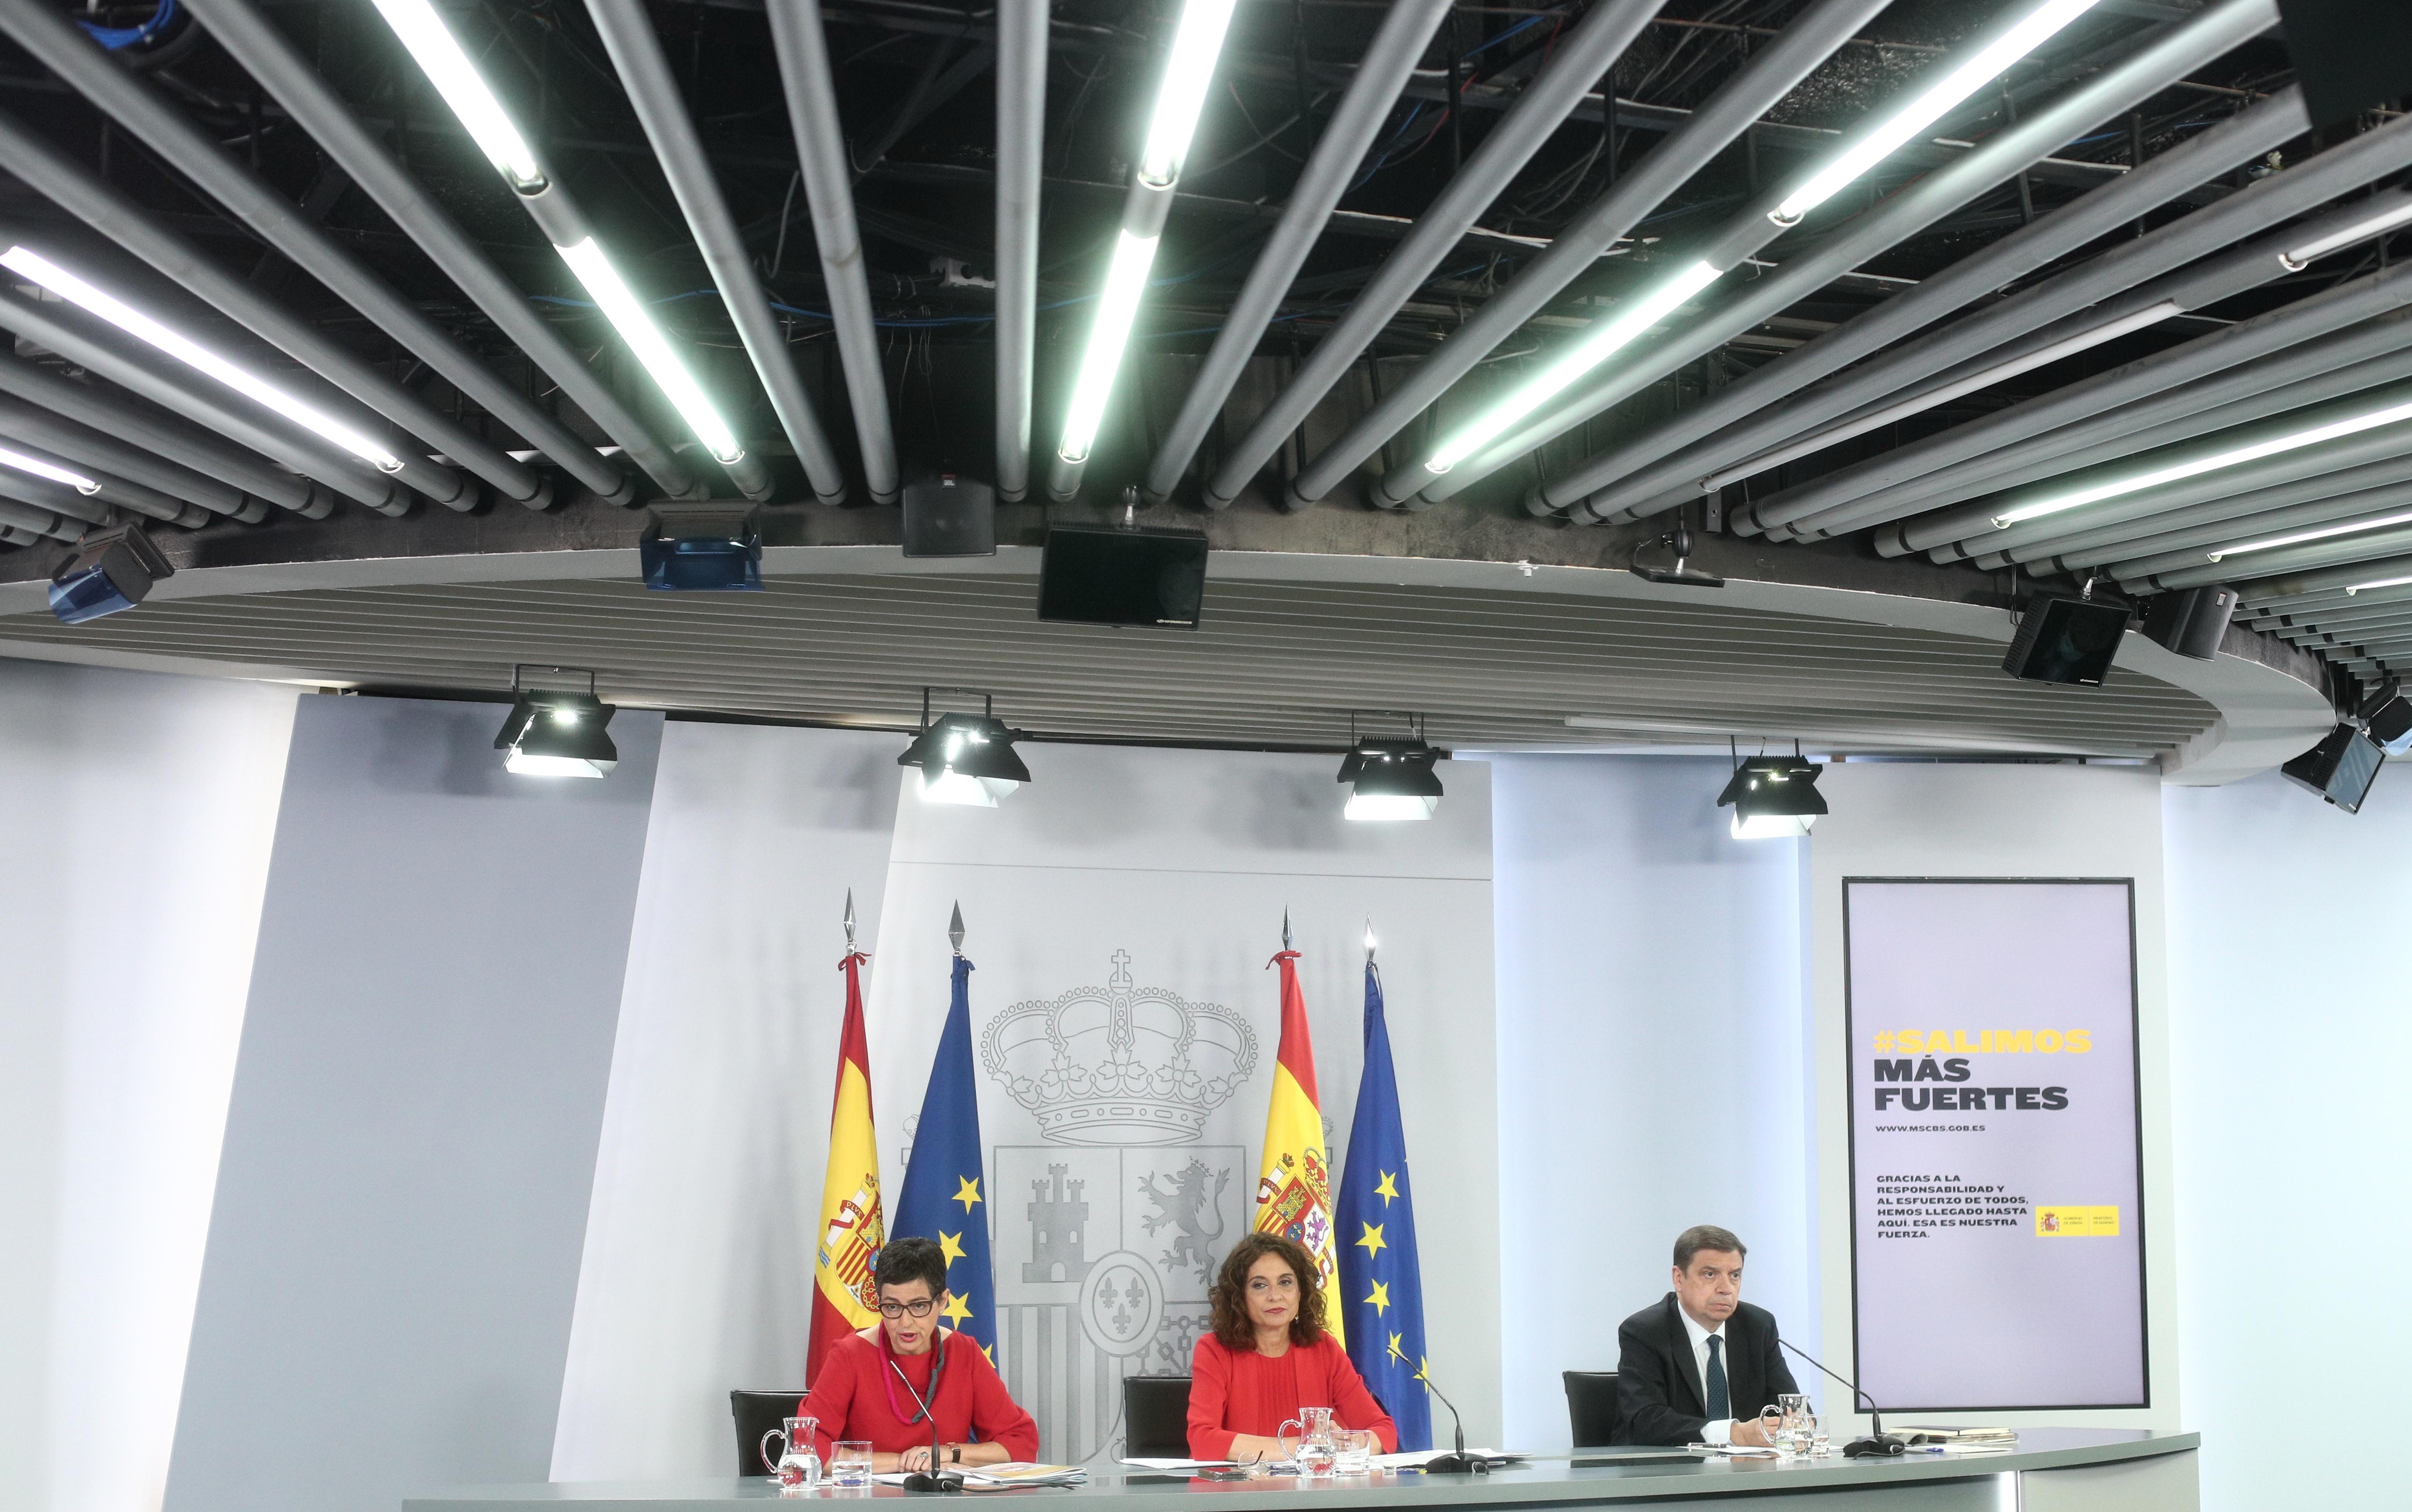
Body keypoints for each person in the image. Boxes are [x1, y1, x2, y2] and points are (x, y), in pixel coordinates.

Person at [799, 1236, 1039, 1472]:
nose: (905, 1323)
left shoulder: (964, 1353)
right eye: (892, 1306)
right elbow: (807, 1448)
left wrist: (947, 1452)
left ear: (942, 1301)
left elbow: (1021, 1444)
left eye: (918, 1306)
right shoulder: (850, 1354)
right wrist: (905, 1463)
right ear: (879, 1301)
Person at [1187, 1231, 1399, 1462]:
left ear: (1301, 1292)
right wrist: (1307, 1446)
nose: (1275, 1296)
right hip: (1236, 1493)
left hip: (1313, 1494)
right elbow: (1203, 1440)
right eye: (1259, 1286)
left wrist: (1344, 1445)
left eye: (1285, 1283)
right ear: (1239, 1298)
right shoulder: (1215, 1351)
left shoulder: (1324, 1349)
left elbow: (1384, 1433)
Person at [1614, 1224, 1801, 1447]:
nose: (1726, 1288)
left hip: (1747, 1473)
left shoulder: (1758, 1326)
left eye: (1735, 1276)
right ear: (1679, 1278)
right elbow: (1645, 1421)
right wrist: (1732, 1433)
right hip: (1668, 1474)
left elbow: (1792, 1410)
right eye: (1710, 1274)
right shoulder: (1645, 1331)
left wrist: (1791, 1427)